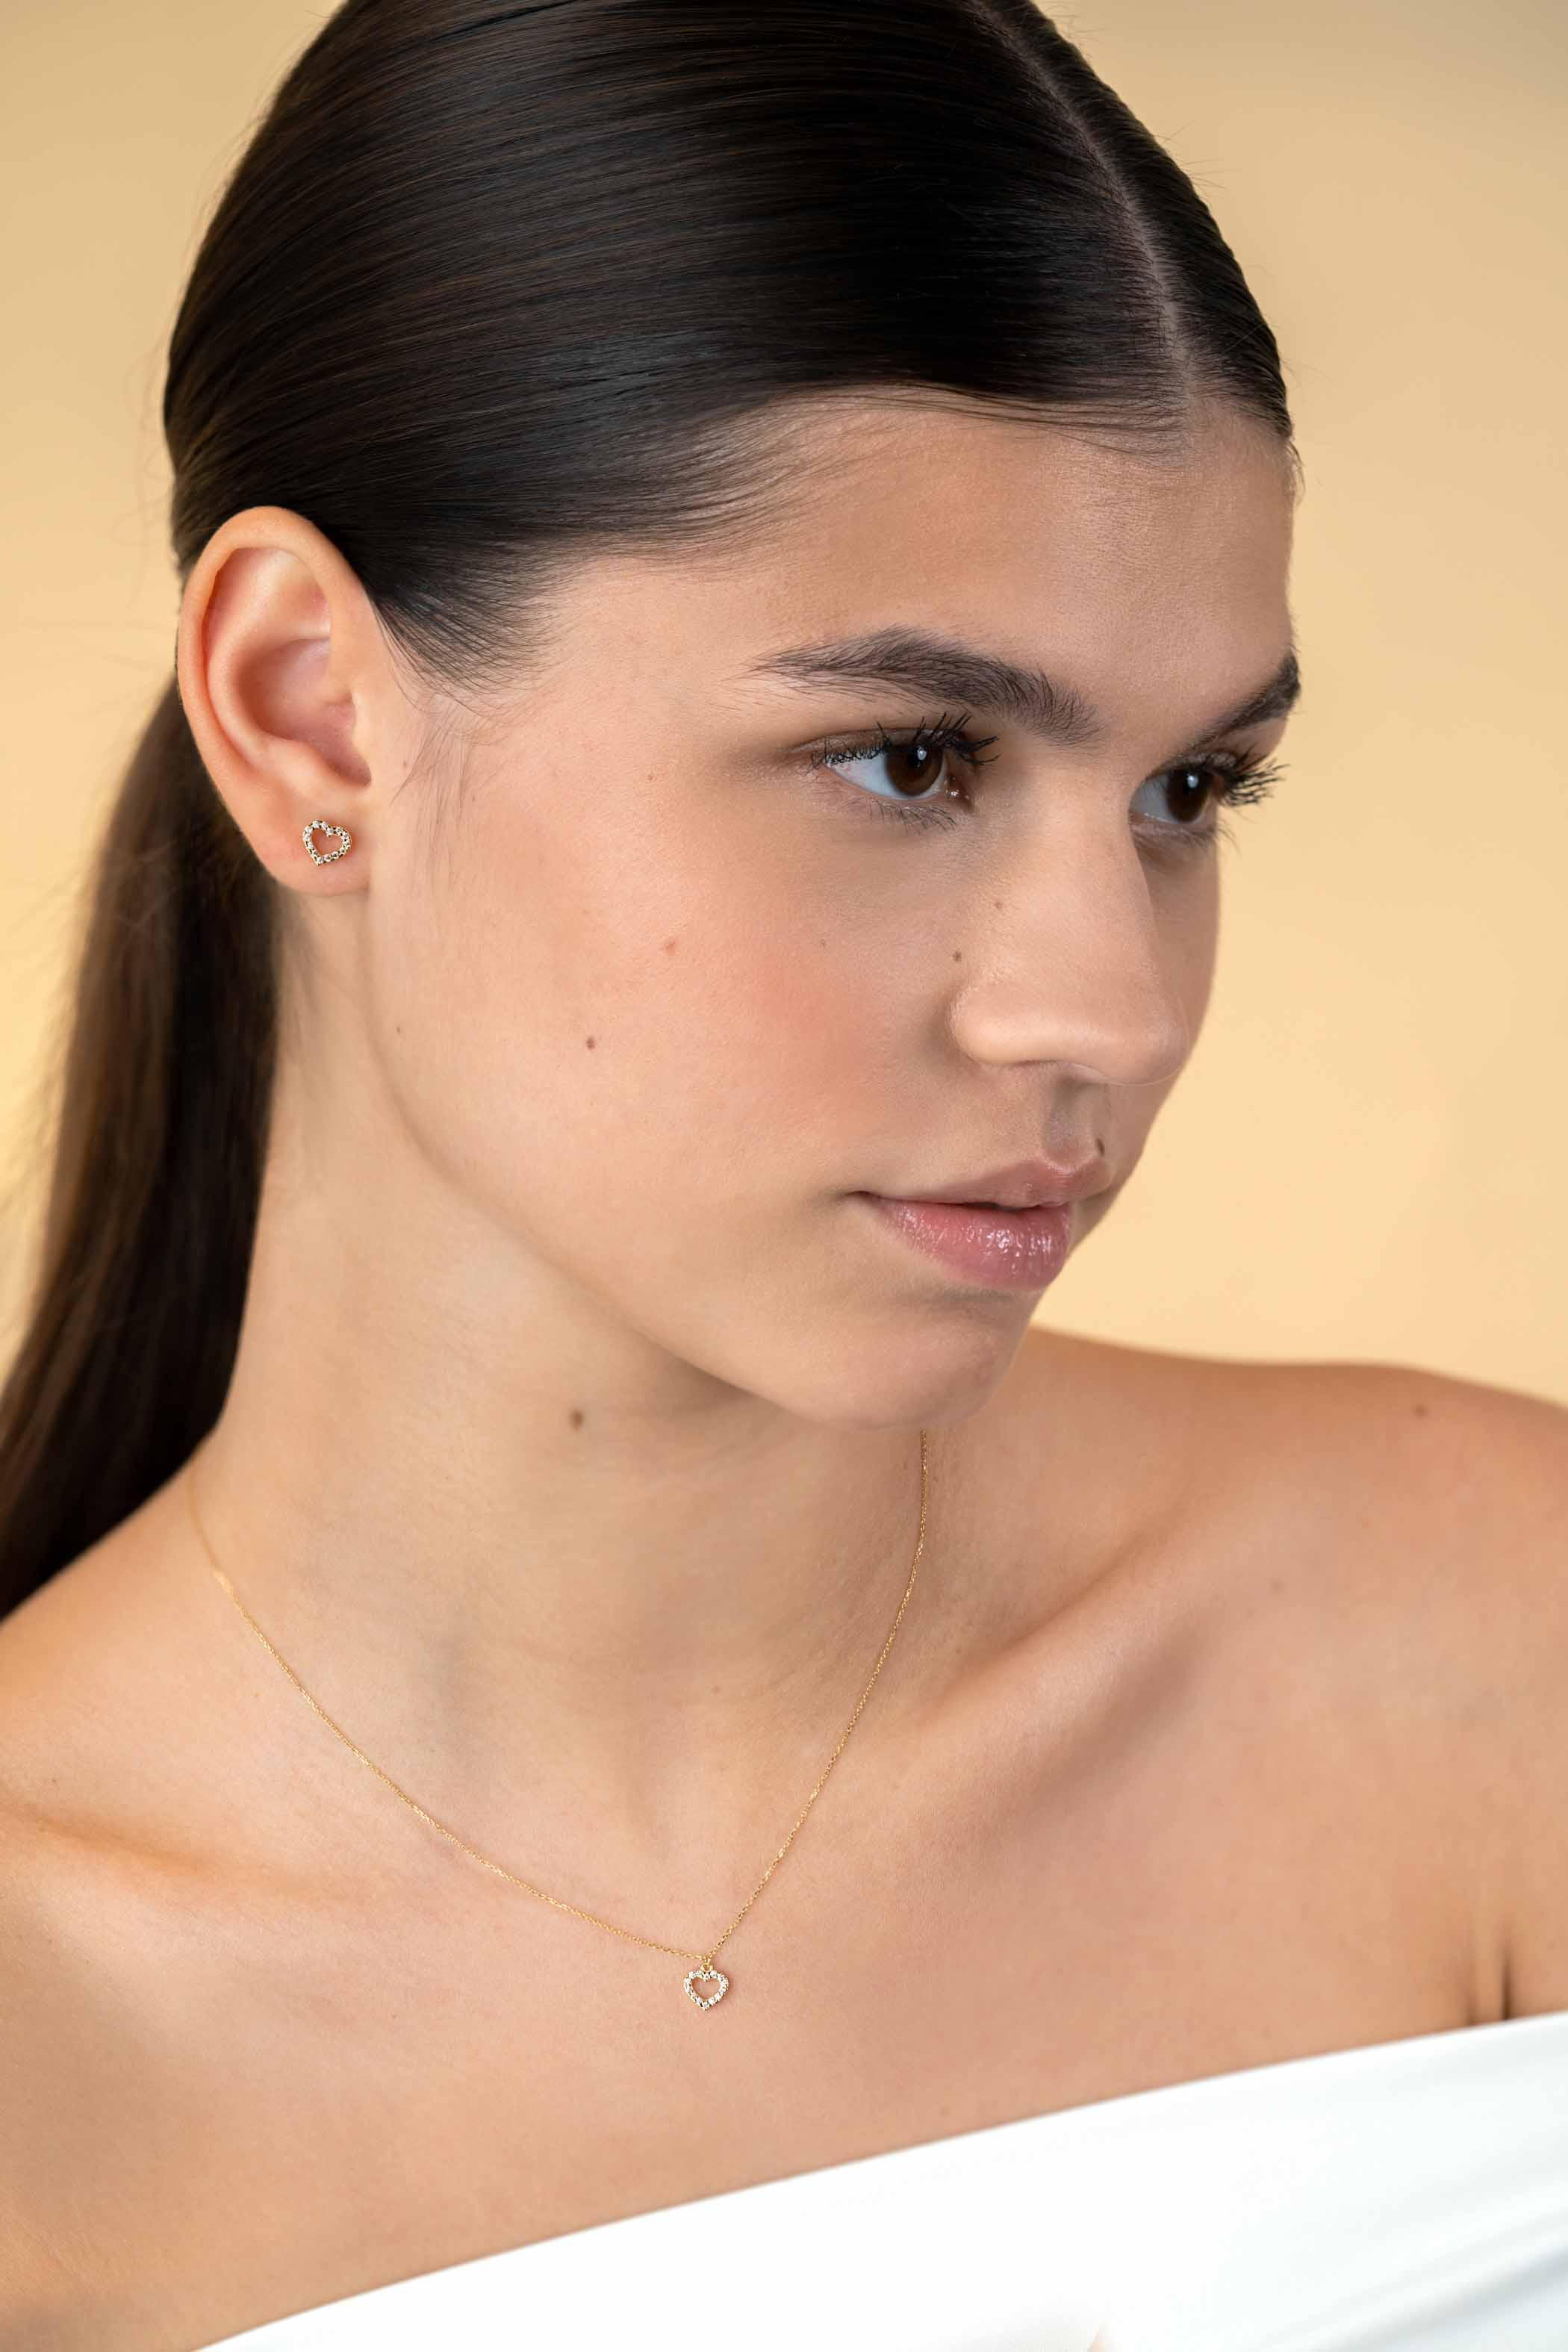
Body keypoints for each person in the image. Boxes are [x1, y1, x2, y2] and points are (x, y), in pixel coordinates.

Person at [1, 1, 1565, 2345]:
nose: (1106, 1009)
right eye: (910, 758)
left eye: (1185, 792)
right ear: (311, 709)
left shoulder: (1489, 1652)